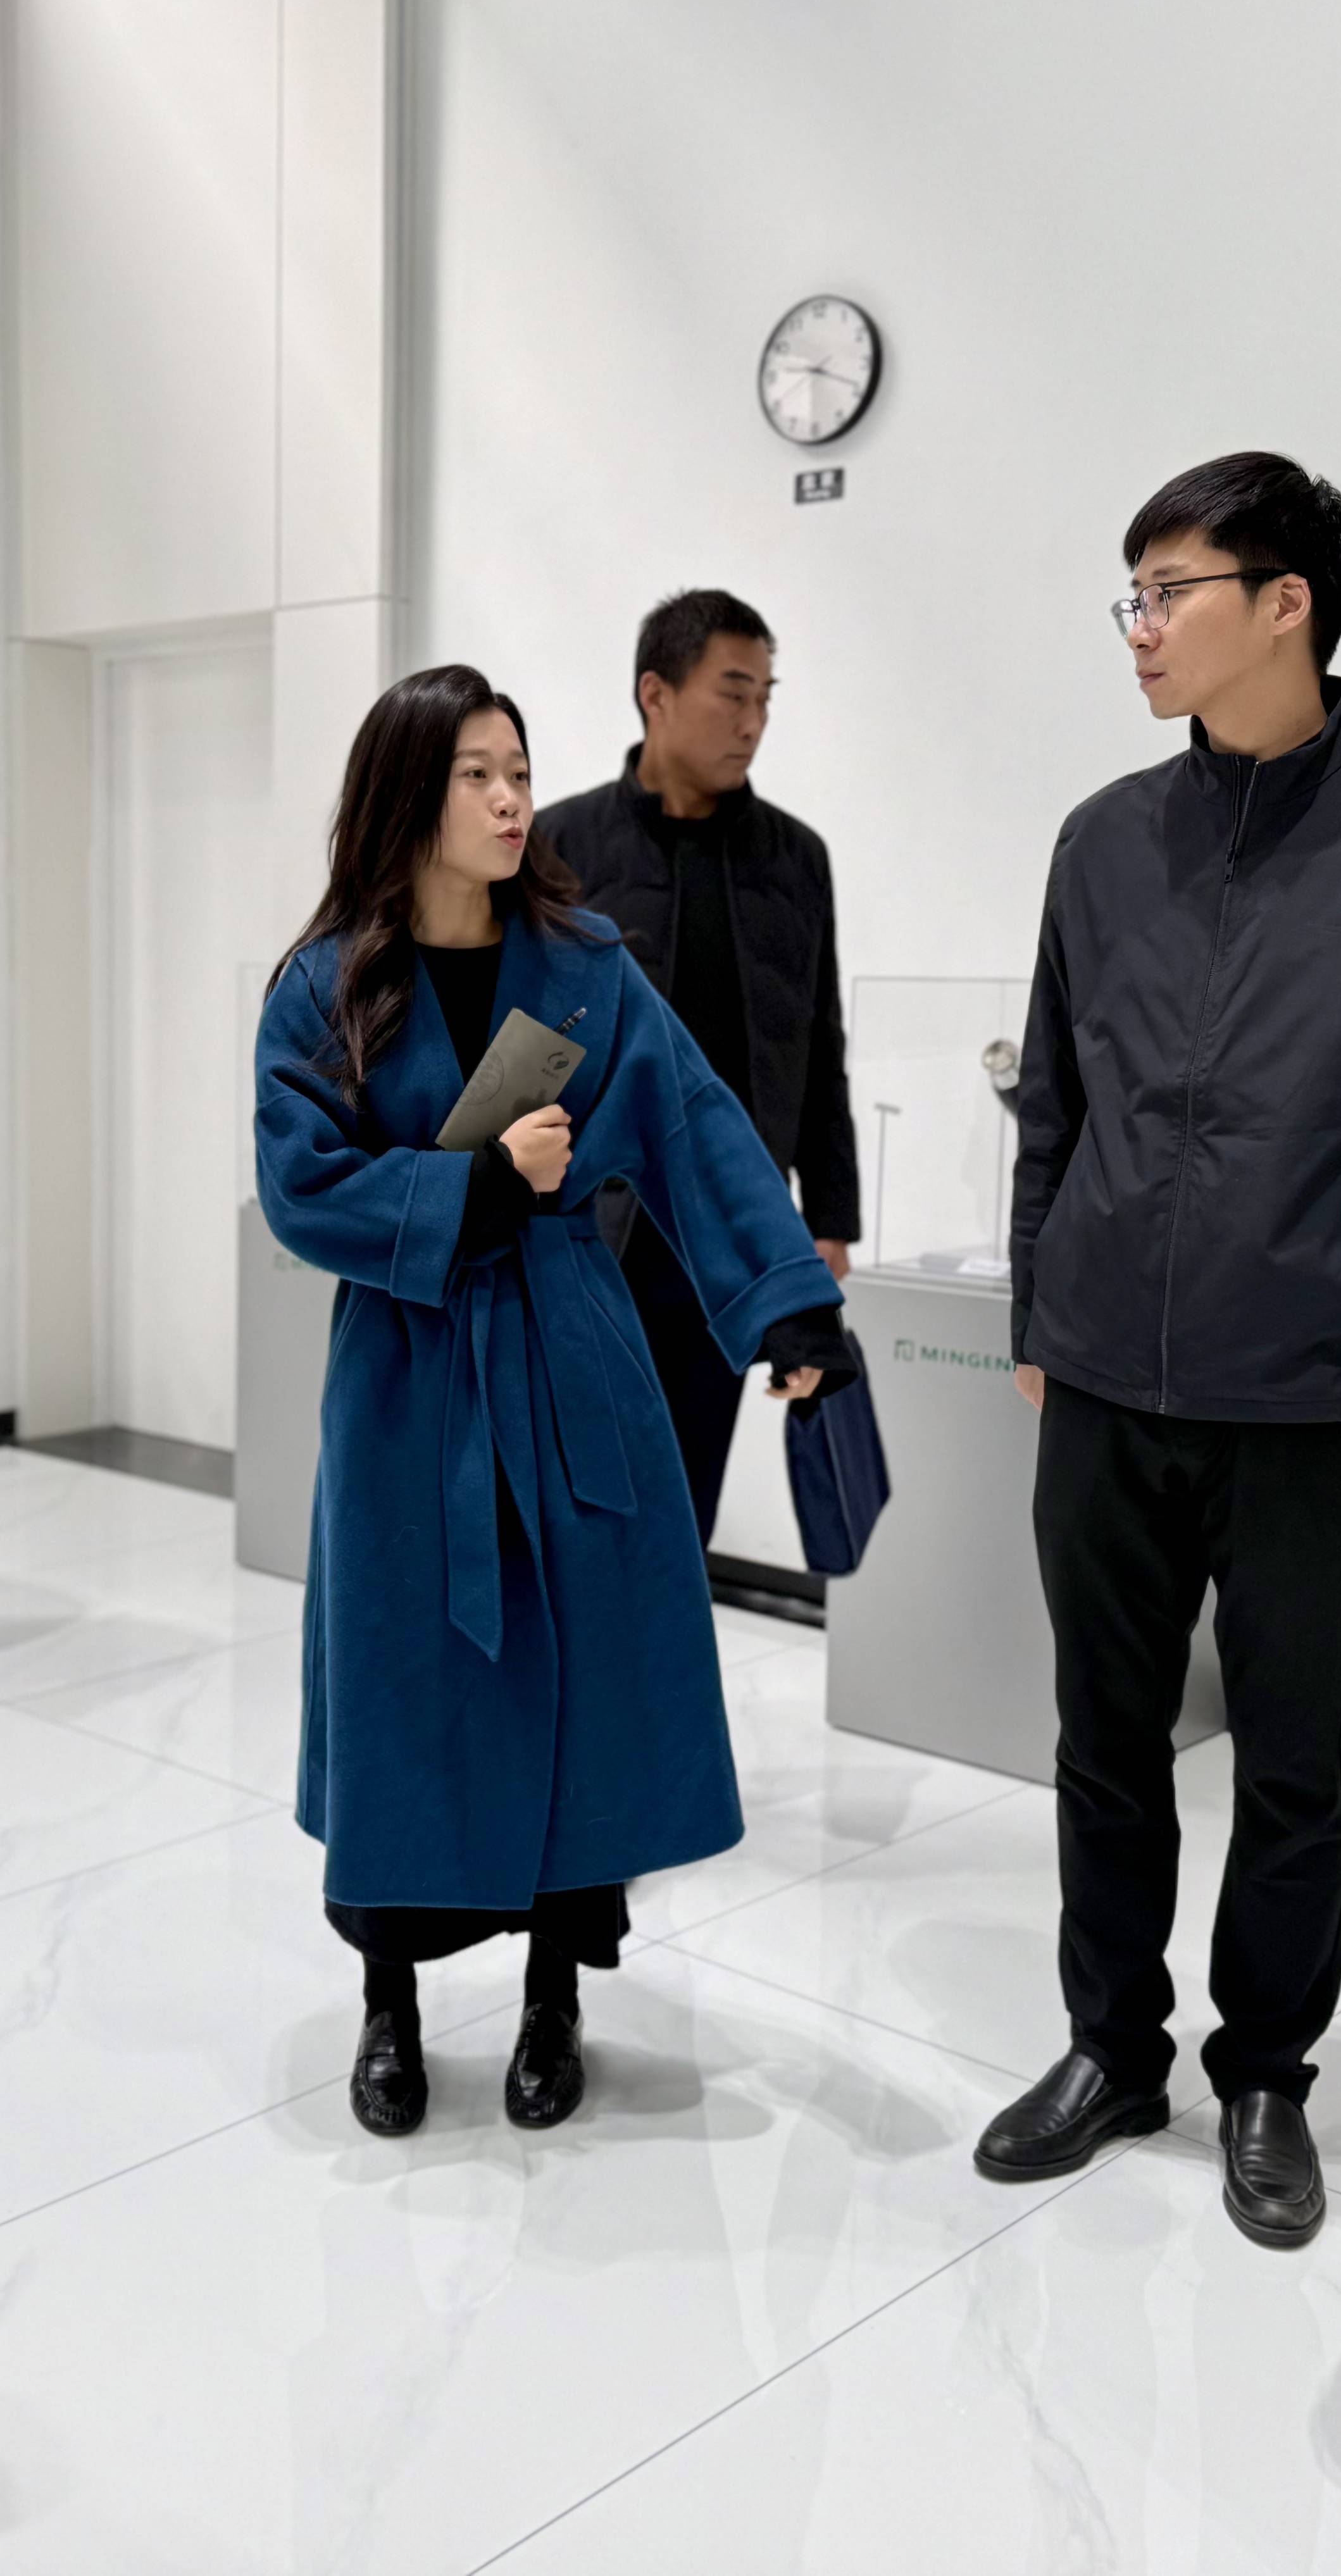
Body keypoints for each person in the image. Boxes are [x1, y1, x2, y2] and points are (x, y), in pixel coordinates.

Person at [980, 453, 1341, 2253]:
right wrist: (1040, 1310)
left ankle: (1267, 2073)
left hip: (1317, 1392)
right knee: (1103, 1739)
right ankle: (1109, 2047)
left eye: (1171, 592)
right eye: (1133, 596)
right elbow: (1054, 1098)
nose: (1140, 629)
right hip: (1102, 1380)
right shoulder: (1100, 839)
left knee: (1294, 1758)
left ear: (1285, 601)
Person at [256, 663, 858, 2141]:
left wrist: (787, 1301)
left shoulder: (587, 965)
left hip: (573, 1346)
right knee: (403, 1675)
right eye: (476, 773)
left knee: (584, 1668)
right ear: (408, 794)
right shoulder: (327, 983)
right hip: (409, 1372)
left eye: (519, 769)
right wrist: (472, 1185)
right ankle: (391, 2004)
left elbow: (697, 1127)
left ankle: (552, 1997)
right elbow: (300, 1187)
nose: (511, 797)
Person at [539, 590, 859, 1540]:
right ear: (657, 694)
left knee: (684, 1507)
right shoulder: (559, 847)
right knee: (572, 1504)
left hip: (721, 1239)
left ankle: (669, 1639)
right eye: (732, 693)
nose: (753, 722)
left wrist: (827, 1224)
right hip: (582, 1234)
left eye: (765, 698)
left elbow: (820, 1050)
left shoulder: (795, 859)